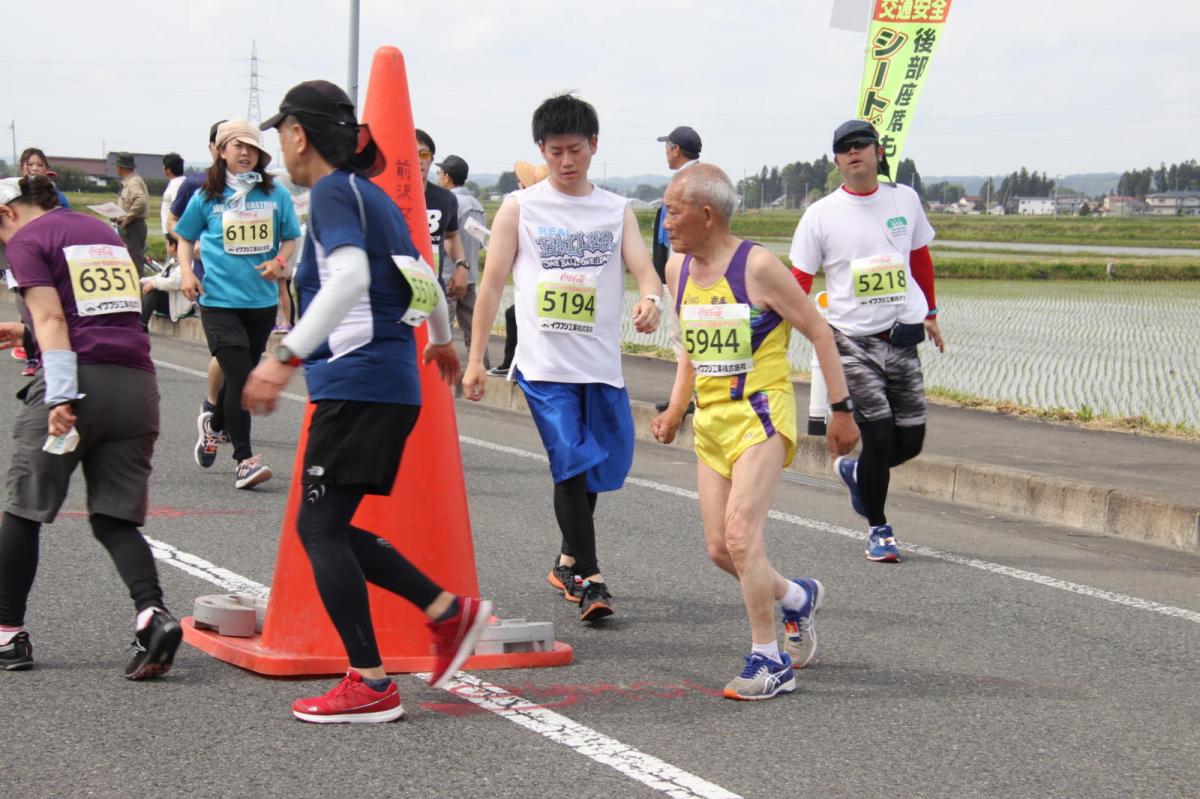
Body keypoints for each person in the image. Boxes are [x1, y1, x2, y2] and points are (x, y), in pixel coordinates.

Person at [248, 79, 493, 723]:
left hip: (357, 387)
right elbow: (427, 282)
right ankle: (446, 612)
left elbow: (353, 276)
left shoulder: (331, 192)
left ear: (298, 133)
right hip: (389, 387)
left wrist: (282, 356)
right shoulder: (375, 198)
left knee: (319, 527)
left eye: (280, 132)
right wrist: (441, 341)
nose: (280, 143)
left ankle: (371, 681)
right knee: (328, 525)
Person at [650, 164, 859, 700]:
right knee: (722, 549)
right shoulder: (677, 271)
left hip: (761, 415)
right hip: (711, 422)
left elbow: (818, 330)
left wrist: (840, 409)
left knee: (744, 537)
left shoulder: (758, 266)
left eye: (672, 211)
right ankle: (795, 597)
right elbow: (690, 348)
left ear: (706, 214)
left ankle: (770, 660)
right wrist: (676, 410)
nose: (665, 221)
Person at [463, 94, 662, 622]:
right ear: (541, 151)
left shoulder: (616, 210)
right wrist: (476, 358)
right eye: (555, 152)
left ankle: (568, 558)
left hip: (599, 365)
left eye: (575, 149)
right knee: (571, 462)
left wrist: (651, 299)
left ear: (594, 146)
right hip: (544, 366)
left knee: (596, 467)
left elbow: (645, 270)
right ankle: (591, 579)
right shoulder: (520, 207)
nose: (566, 161)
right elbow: (490, 286)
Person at [0, 175, 181, 679]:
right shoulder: (102, 232)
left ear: (9, 212)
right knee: (114, 518)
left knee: (24, 507)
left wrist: (59, 394)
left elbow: (56, 320)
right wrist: (26, 332)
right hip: (135, 385)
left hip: (76, 384)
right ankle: (152, 615)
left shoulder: (28, 242)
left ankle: (7, 633)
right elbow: (97, 315)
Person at [788, 120, 944, 563]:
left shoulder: (904, 199)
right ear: (836, 161)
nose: (853, 152)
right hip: (851, 341)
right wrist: (782, 330)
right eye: (843, 148)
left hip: (901, 337)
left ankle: (857, 473)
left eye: (860, 145)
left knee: (910, 440)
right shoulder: (821, 214)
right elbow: (799, 279)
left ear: (878, 152)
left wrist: (930, 312)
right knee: (878, 434)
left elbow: (919, 258)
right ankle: (880, 529)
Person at [174, 120, 301, 489]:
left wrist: (279, 263)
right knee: (241, 375)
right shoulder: (206, 196)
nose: (245, 153)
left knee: (237, 375)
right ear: (222, 151)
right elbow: (184, 238)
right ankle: (244, 460)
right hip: (218, 301)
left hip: (259, 303)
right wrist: (186, 273)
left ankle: (213, 423)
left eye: (252, 148)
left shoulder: (274, 194)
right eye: (237, 146)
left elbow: (291, 239)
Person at [168, 121, 228, 456]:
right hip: (209, 278)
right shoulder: (195, 183)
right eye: (225, 144)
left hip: (249, 284)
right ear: (212, 149)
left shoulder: (255, 188)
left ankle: (222, 413)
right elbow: (173, 222)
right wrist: (196, 245)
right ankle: (213, 407)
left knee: (245, 355)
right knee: (225, 351)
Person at [650, 126, 701, 414]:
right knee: (687, 334)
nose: (665, 153)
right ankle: (690, 396)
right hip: (691, 270)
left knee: (682, 335)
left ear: (675, 149)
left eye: (666, 146)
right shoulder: (698, 178)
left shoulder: (687, 183)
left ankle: (689, 397)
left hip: (686, 271)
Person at [486, 162, 549, 377]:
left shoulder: (526, 209)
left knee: (516, 315)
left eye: (521, 183)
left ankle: (512, 362)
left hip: (539, 285)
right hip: (552, 283)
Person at [13, 148, 70, 376]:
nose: (34, 168)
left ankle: (49, 354)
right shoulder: (15, 192)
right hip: (22, 254)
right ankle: (33, 355)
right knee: (26, 308)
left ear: (46, 168)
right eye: (30, 164)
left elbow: (67, 216)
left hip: (49, 254)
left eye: (39, 164)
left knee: (47, 310)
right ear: (23, 167)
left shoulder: (54, 193)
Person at [436, 154, 490, 368]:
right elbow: (481, 241)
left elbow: (447, 238)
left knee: (442, 330)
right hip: (470, 277)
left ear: (447, 177)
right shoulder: (477, 205)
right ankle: (482, 369)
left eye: (440, 173)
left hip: (449, 276)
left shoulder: (449, 202)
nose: (439, 177)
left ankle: (439, 374)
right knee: (474, 329)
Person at [414, 130, 468, 291]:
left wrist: (461, 265)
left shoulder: (446, 199)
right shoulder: (386, 197)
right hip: (393, 291)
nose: (418, 160)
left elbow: (451, 235)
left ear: (431, 159)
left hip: (431, 288)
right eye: (411, 152)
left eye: (423, 155)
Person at [139, 233, 195, 323]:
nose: (166, 246)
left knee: (153, 292)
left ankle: (141, 324)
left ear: (173, 246)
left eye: (167, 243)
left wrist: (154, 284)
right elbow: (161, 276)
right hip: (170, 300)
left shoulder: (187, 263)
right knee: (141, 287)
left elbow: (173, 283)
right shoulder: (173, 261)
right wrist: (141, 281)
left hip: (180, 306)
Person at [113, 152, 149, 275]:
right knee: (130, 260)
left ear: (121, 168)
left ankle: (139, 291)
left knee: (134, 262)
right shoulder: (130, 181)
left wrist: (128, 217)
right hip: (131, 226)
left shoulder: (133, 182)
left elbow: (141, 200)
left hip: (132, 227)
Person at [160, 152, 186, 240]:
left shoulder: (176, 184)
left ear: (168, 170)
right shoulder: (182, 181)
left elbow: (179, 207)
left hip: (173, 231)